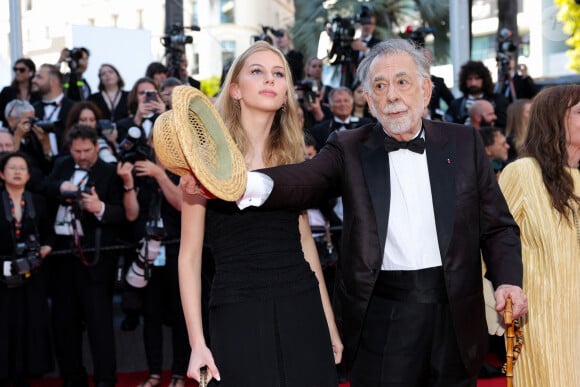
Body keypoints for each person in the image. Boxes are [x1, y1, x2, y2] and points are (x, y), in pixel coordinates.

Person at [232, 39, 528, 386]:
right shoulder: (349, 146)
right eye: (380, 86)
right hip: (381, 316)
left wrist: (508, 279)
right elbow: (305, 179)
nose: (392, 96)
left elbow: (497, 227)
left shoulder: (463, 142)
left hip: (456, 316)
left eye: (402, 82)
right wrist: (239, 184)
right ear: (369, 100)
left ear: (425, 89)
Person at [179, 41, 342, 386]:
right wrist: (196, 343)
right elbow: (190, 257)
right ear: (235, 89)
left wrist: (328, 322)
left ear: (285, 94)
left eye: (278, 73)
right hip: (238, 309)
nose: (270, 79)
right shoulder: (203, 159)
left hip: (301, 304)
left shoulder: (294, 160)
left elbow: (305, 243)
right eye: (257, 71)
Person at [498, 84, 580, 387]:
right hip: (537, 318)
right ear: (554, 120)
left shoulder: (579, 177)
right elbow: (492, 240)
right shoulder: (522, 173)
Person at [43, 124, 125, 387]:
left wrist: (98, 207)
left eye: (87, 150)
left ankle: (105, 380)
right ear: (69, 149)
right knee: (64, 324)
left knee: (99, 324)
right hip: (61, 256)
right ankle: (72, 378)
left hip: (95, 258)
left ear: (97, 147)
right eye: (77, 151)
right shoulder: (61, 165)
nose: (82, 156)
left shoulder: (109, 172)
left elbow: (123, 214)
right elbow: (44, 187)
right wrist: (60, 188)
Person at [117, 139, 189, 387]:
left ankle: (180, 372)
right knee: (151, 315)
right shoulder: (139, 171)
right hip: (146, 253)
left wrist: (160, 174)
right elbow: (131, 214)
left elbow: (181, 204)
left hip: (176, 250)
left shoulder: (183, 170)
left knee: (181, 315)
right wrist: (128, 185)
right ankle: (154, 373)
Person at [0, 152, 54, 387]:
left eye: (22, 168)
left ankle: (26, 374)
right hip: (2, 276)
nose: (17, 172)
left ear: (29, 175)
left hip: (32, 274)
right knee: (5, 324)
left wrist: (46, 248)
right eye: (12, 168)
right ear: (2, 174)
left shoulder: (38, 201)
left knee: (30, 323)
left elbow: (50, 233)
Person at [445, 60, 508, 128]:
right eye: (469, 79)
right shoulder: (456, 105)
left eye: (477, 78)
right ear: (464, 81)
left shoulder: (498, 100)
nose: (473, 83)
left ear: (484, 79)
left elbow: (503, 126)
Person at [31, 63, 76, 155]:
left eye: (39, 77)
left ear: (53, 82)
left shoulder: (74, 108)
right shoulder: (32, 109)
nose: (33, 80)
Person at [311, 86, 373, 151]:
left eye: (346, 101)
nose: (343, 104)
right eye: (338, 101)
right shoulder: (320, 129)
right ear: (330, 106)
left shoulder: (366, 124)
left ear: (352, 104)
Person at [115, 77, 166, 145]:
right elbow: (125, 149)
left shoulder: (167, 119)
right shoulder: (122, 124)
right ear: (135, 96)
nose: (146, 96)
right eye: (142, 93)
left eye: (151, 93)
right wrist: (137, 120)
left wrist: (165, 116)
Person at [0, 58, 41, 127]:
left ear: (31, 72)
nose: (17, 72)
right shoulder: (7, 91)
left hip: (31, 131)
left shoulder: (37, 93)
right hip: (9, 130)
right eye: (15, 69)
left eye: (22, 70)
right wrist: (12, 117)